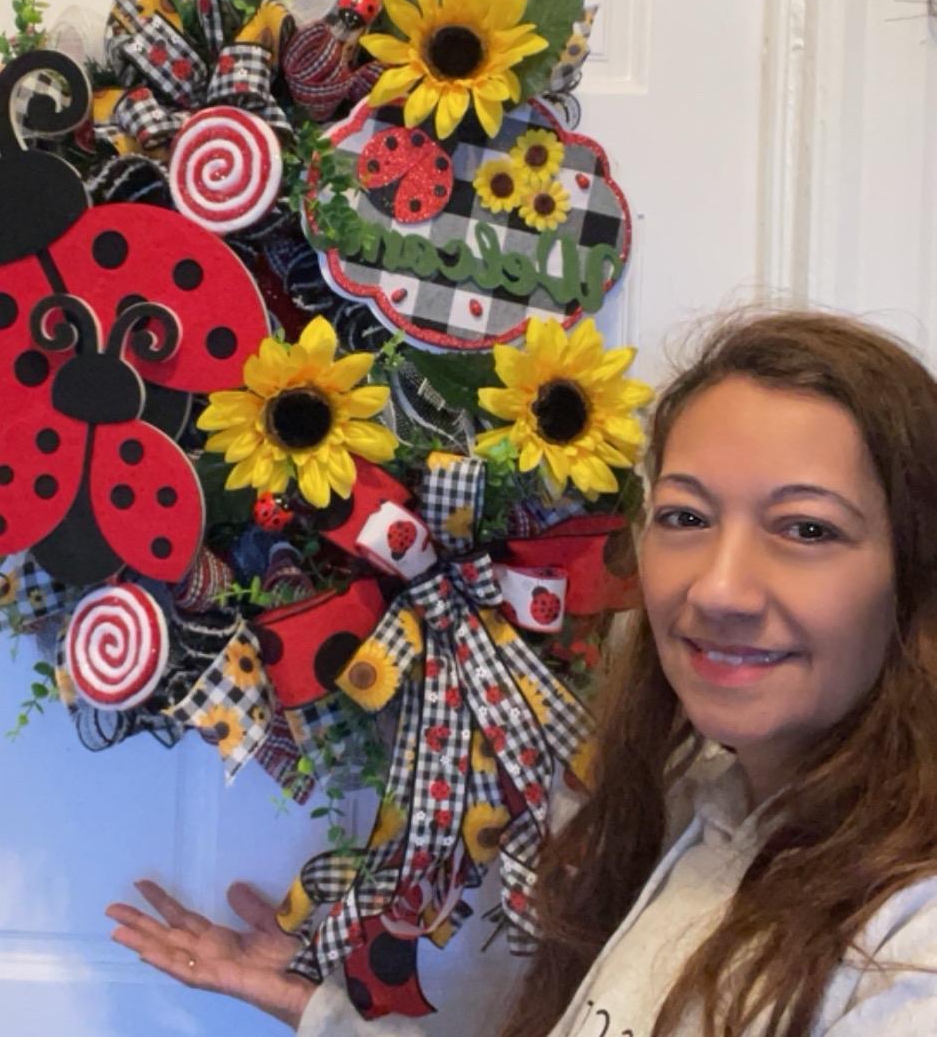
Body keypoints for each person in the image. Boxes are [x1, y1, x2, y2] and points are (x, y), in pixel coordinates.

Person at [107, 310, 937, 1035]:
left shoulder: (910, 948)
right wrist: (324, 1015)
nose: (718, 589)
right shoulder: (700, 808)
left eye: (806, 529)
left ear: (917, 569)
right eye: (685, 516)